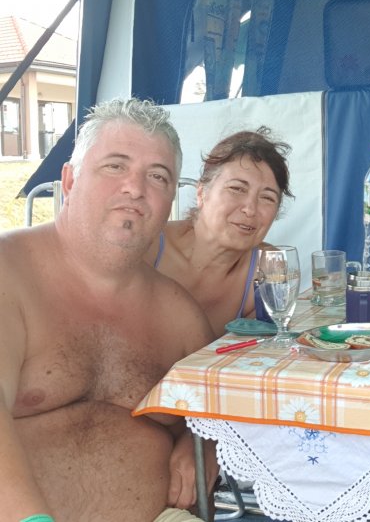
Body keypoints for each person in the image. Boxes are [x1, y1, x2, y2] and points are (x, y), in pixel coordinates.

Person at [0, 97, 215, 521]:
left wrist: (204, 447)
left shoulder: (179, 315)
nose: (135, 188)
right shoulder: (10, 272)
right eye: (115, 166)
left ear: (171, 200)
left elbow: (216, 412)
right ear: (69, 180)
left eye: (158, 176)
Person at [145, 128, 293, 337]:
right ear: (201, 193)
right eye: (237, 189)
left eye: (267, 198)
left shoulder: (266, 266)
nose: (250, 209)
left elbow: (257, 348)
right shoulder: (147, 246)